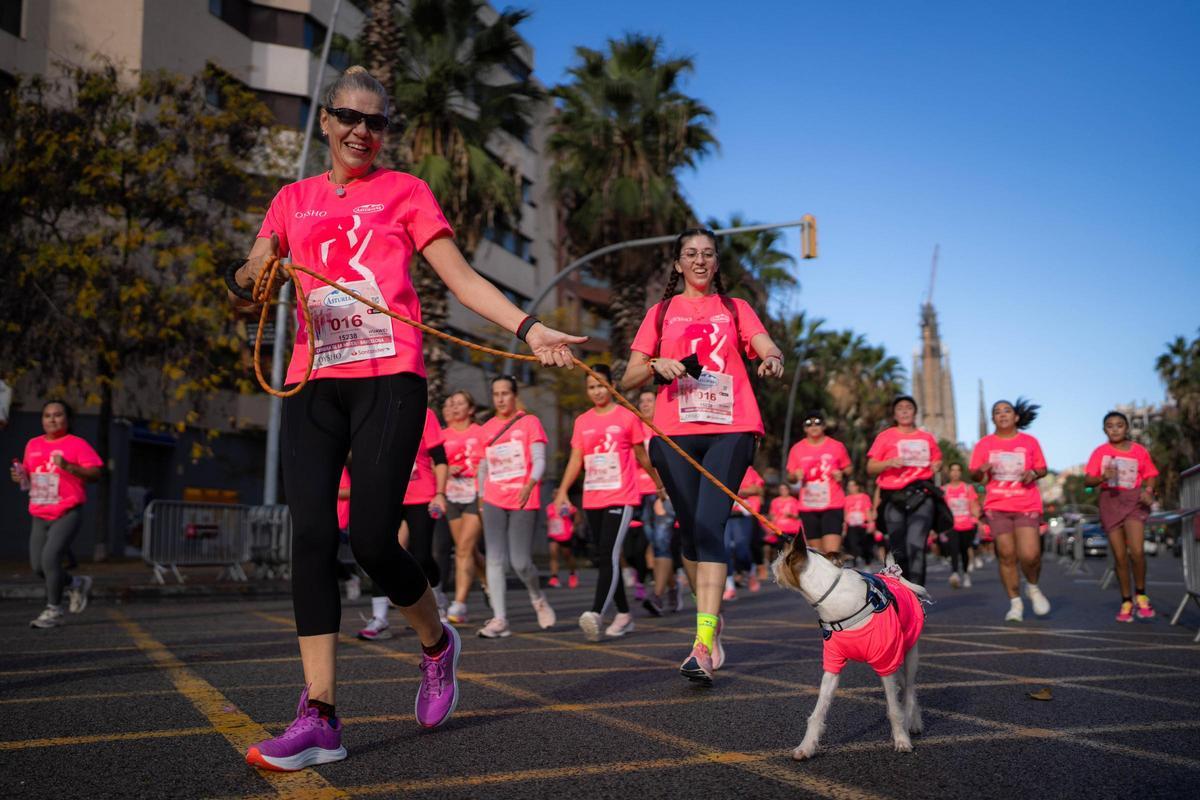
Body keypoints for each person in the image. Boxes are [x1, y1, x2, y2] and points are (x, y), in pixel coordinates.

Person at [227, 65, 583, 771]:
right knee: (310, 537)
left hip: (389, 378)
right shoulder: (291, 200)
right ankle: (320, 717)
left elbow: (462, 279)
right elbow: (249, 278)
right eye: (349, 118)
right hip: (312, 379)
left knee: (370, 539)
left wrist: (530, 329)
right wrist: (251, 277)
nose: (362, 131)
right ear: (325, 121)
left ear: (386, 131)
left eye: (376, 122)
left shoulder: (407, 192)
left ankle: (436, 642)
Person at [621, 227, 786, 685]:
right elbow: (629, 377)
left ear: (716, 263)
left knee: (711, 524)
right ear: (678, 264)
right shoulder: (660, 313)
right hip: (674, 433)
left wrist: (772, 357)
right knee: (691, 534)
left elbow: (764, 344)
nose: (699, 260)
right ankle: (710, 620)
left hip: (731, 427)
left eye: (708, 254)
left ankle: (701, 642)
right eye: (690, 254)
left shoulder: (735, 308)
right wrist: (654, 365)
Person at [553, 365, 663, 640]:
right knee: (605, 556)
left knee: (609, 553)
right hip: (593, 496)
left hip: (621, 496)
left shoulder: (627, 416)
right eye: (591, 387)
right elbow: (576, 459)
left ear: (612, 385)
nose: (597, 391)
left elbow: (641, 455)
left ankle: (596, 613)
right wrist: (562, 491)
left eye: (601, 385)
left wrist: (659, 483)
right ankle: (624, 614)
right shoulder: (582, 421)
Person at [476, 376, 557, 638]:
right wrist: (481, 496)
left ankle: (537, 597)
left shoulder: (529, 422)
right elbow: (483, 467)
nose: (500, 399)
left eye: (505, 393)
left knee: (520, 562)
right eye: (496, 394)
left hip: (523, 496)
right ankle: (500, 619)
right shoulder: (486, 428)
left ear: (514, 395)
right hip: (493, 498)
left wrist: (530, 484)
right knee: (495, 559)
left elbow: (539, 459)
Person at [358, 408, 448, 640]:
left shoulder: (424, 414)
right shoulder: (376, 412)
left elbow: (440, 458)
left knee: (422, 556)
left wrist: (440, 493)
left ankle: (438, 605)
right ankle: (380, 619)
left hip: (422, 495)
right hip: (389, 496)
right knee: (379, 554)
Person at [11, 400, 101, 629]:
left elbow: (95, 473)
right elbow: (28, 474)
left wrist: (69, 467)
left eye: (58, 415)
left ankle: (54, 610)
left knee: (50, 558)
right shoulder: (33, 444)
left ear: (67, 419)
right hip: (40, 511)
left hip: (67, 510)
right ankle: (75, 583)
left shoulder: (77, 444)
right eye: (47, 415)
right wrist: (20, 475)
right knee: (38, 567)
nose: (52, 419)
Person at [969, 398, 1050, 622]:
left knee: (1030, 555)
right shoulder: (984, 444)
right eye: (997, 412)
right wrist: (981, 470)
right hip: (997, 505)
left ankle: (1032, 587)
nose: (1002, 414)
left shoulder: (1029, 442)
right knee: (1006, 555)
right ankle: (1015, 603)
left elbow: (1042, 468)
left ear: (1016, 417)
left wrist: (1033, 473)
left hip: (1026, 504)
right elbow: (974, 474)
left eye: (1007, 410)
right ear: (993, 418)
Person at [1085, 411, 1159, 622]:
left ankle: (1141, 596)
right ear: (1104, 430)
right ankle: (1126, 601)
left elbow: (1151, 475)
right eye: (1110, 426)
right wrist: (1102, 477)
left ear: (1126, 428)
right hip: (1110, 502)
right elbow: (1088, 481)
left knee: (1137, 551)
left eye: (1119, 425)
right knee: (1119, 557)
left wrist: (1149, 491)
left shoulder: (1139, 451)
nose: (1115, 429)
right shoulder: (1100, 452)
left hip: (1134, 502)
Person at [866, 396, 942, 587]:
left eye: (909, 407)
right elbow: (870, 467)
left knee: (916, 545)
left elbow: (937, 460)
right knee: (898, 548)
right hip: (894, 497)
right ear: (895, 414)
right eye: (900, 408)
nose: (905, 411)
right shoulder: (885, 436)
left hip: (921, 495)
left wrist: (938, 465)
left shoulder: (926, 438)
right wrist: (888, 463)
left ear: (915, 412)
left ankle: (916, 593)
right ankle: (902, 590)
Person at [440, 390, 486, 624]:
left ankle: (459, 605)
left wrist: (481, 470)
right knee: (467, 549)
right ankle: (487, 581)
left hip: (475, 494)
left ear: (471, 409)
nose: (455, 407)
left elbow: (491, 460)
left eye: (460, 403)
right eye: (452, 403)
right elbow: (435, 464)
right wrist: (447, 469)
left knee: (463, 550)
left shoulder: (481, 432)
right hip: (452, 495)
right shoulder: (443, 435)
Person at [636, 388, 679, 615]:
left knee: (662, 542)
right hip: (641, 493)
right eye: (641, 401)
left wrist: (664, 489)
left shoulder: (666, 427)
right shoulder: (636, 427)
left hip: (664, 493)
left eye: (649, 400)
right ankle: (673, 587)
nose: (644, 404)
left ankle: (658, 596)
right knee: (654, 545)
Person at [786, 411, 853, 556]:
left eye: (817, 422)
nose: (813, 426)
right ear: (804, 428)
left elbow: (848, 467)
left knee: (832, 553)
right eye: (809, 424)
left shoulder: (836, 446)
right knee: (818, 555)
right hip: (808, 506)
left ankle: (836, 570)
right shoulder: (797, 449)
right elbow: (790, 476)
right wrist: (795, 476)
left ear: (824, 426)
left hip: (832, 504)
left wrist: (842, 473)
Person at [723, 466, 765, 600]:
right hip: (724, 515)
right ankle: (730, 586)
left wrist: (739, 491)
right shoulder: (718, 466)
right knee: (725, 548)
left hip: (742, 514)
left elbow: (759, 489)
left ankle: (750, 570)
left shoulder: (748, 470)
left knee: (741, 547)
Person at [942, 464, 981, 588]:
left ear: (961, 473)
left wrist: (976, 517)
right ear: (949, 473)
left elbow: (974, 505)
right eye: (952, 470)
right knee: (953, 549)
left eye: (958, 470)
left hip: (966, 524)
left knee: (964, 551)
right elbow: (942, 509)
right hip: (951, 526)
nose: (955, 473)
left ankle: (966, 574)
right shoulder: (944, 489)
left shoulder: (967, 488)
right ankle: (954, 573)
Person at [545, 500, 578, 588]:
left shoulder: (568, 506)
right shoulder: (549, 507)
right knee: (553, 554)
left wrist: (574, 526)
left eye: (557, 493)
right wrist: (547, 524)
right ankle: (554, 577)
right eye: (554, 494)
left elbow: (578, 517)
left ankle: (572, 574)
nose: (555, 495)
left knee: (567, 555)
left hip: (565, 534)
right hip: (553, 534)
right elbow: (548, 518)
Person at [767, 482, 801, 567]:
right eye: (781, 489)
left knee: (790, 547)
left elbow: (797, 515)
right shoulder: (775, 501)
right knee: (779, 547)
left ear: (788, 490)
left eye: (785, 489)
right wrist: (772, 521)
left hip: (792, 528)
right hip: (779, 528)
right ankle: (779, 564)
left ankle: (788, 564)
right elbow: (771, 515)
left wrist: (791, 515)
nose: (783, 491)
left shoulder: (794, 501)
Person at [842, 479, 875, 566]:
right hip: (851, 525)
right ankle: (856, 561)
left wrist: (871, 523)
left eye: (852, 485)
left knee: (865, 544)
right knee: (853, 544)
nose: (850, 488)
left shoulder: (864, 497)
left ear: (857, 487)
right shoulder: (846, 499)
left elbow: (868, 510)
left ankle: (867, 561)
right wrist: (844, 526)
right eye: (849, 486)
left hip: (863, 524)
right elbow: (845, 512)